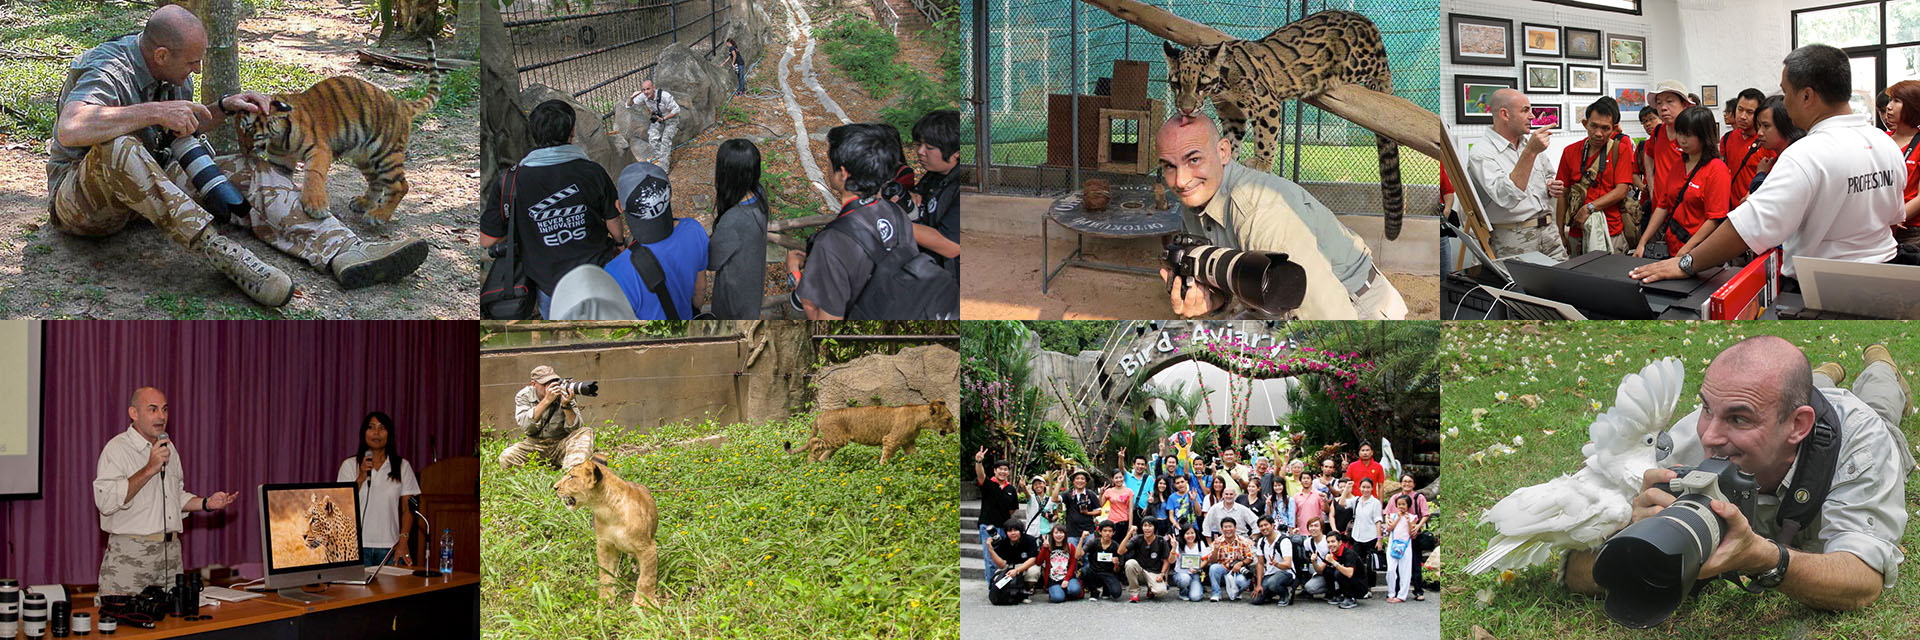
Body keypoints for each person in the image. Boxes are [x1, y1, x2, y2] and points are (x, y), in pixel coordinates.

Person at [1565, 337, 1915, 612]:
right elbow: (1574, 570)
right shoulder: (1686, 446)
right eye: (1706, 408)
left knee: (1881, 403)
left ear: (1798, 425)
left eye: (1738, 418)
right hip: (1795, 404)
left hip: (1860, 422)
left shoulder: (1863, 443)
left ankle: (1880, 364)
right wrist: (1633, 533)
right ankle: (1822, 375)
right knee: (1805, 386)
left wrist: (1764, 558)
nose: (1709, 437)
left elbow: (1863, 581)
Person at [47, 5, 301, 306]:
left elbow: (180, 127)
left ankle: (334, 248)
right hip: (84, 205)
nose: (197, 70)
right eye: (192, 62)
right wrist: (157, 112)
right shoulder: (108, 68)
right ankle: (218, 248)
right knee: (118, 146)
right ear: (162, 55)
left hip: (145, 187)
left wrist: (224, 107)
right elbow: (70, 127)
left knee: (246, 170)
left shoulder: (174, 73)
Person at [1632, 45, 1905, 285]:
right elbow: (1893, 220)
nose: (1784, 102)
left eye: (1785, 93)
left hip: (1824, 285)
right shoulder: (1885, 144)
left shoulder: (1807, 154)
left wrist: (1686, 263)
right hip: (1884, 277)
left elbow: (1747, 229)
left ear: (1807, 96)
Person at [1152, 114, 1406, 319]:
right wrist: (1212, 301)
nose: (1181, 180)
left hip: (1354, 306)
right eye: (1169, 166)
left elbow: (1325, 311)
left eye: (1194, 159)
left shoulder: (1261, 214)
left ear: (1223, 152)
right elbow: (1225, 278)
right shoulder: (1194, 199)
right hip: (1273, 302)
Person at [786, 123, 948, 320]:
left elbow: (822, 320)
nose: (827, 165)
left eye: (829, 159)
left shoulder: (832, 241)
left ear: (843, 173)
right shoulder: (896, 212)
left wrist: (794, 273)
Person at [481, 100, 623, 318]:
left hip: (548, 284)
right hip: (596, 274)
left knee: (560, 333)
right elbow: (612, 219)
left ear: (533, 134)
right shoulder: (592, 171)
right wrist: (620, 243)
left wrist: (527, 227)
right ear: (572, 132)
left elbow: (487, 240)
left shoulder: (510, 180)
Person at [91, 387, 238, 596]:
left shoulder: (169, 448)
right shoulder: (117, 449)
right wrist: (149, 469)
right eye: (153, 409)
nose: (161, 416)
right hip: (131, 556)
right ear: (134, 413)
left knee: (172, 615)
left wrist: (206, 503)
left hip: (170, 554)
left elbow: (174, 497)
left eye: (165, 409)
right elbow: (105, 502)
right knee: (123, 615)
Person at [1468, 89, 1566, 260]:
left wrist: (1551, 186)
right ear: (1505, 114)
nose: (1532, 116)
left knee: (1564, 276)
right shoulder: (1482, 153)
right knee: (1520, 279)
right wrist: (1530, 152)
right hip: (1515, 239)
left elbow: (1548, 175)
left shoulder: (1527, 144)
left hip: (1549, 233)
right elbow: (1506, 197)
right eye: (1525, 110)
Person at [603, 162, 708, 320]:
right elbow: (700, 289)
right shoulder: (694, 230)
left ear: (619, 207)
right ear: (669, 195)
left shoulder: (615, 273)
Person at [1639, 106, 1731, 261]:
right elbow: (1663, 205)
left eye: (1688, 135)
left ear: (1703, 136)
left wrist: (1685, 250)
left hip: (1699, 252)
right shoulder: (1678, 164)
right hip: (1672, 246)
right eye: (1679, 133)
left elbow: (1715, 219)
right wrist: (1643, 242)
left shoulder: (1717, 169)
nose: (1681, 140)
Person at [336, 411, 420, 567]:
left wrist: (403, 541)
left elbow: (408, 509)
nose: (376, 433)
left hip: (390, 548)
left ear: (389, 434)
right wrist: (361, 477)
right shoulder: (349, 465)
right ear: (364, 433)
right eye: (371, 427)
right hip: (357, 548)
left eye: (382, 428)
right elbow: (341, 505)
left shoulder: (402, 466)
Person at [1556, 96, 1635, 254]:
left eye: (1605, 128)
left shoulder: (1620, 150)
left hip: (1610, 231)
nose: (1598, 133)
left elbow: (1621, 190)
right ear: (1585, 124)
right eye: (1593, 126)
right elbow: (1563, 193)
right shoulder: (1570, 151)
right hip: (1576, 231)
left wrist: (1589, 208)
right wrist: (1560, 232)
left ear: (1614, 128)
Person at [707, 139, 771, 319]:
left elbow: (711, 261)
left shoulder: (733, 220)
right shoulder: (759, 195)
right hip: (753, 288)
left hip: (733, 299)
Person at [497, 365, 593, 468]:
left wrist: (566, 405)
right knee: (507, 457)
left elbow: (576, 429)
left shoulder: (564, 392)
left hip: (560, 443)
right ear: (534, 384)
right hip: (534, 445)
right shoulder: (524, 395)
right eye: (545, 384)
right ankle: (536, 470)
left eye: (553, 382)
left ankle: (573, 471)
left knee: (585, 431)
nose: (551, 386)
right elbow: (526, 426)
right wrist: (547, 400)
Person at [909, 110, 961, 277]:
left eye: (930, 147)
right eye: (919, 144)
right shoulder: (934, 174)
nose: (920, 151)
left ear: (956, 152)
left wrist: (893, 223)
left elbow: (950, 246)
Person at [972, 448, 1021, 578]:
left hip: (1004, 528)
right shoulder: (988, 484)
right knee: (990, 559)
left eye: (1005, 469)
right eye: (1000, 469)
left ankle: (1001, 584)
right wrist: (979, 462)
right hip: (988, 527)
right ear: (995, 471)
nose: (1003, 472)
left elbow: (1012, 509)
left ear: (1008, 472)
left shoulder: (1011, 489)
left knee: (1003, 558)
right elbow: (980, 475)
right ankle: (992, 586)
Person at [1723, 88, 1773, 209]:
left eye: (1750, 112)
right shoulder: (1727, 138)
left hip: (1753, 207)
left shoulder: (1767, 143)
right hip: (1729, 208)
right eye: (1740, 109)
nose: (1743, 116)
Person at [1884, 81, 1920, 248]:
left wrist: (1897, 218)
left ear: (1913, 106)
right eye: (1890, 100)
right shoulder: (1880, 139)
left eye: (1897, 101)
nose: (1889, 107)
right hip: (1880, 224)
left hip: (1910, 229)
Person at [1749, 95, 1808, 193]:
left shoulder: (1794, 163)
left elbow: (1767, 197)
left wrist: (1761, 174)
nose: (1759, 132)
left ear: (1784, 125)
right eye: (1759, 125)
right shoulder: (1779, 158)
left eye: (1766, 126)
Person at [1387, 473, 1432, 601]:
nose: (1407, 484)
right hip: (1398, 536)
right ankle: (1395, 591)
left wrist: (1418, 526)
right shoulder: (1395, 497)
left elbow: (1425, 514)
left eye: (1410, 481)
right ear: (1400, 483)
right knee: (1396, 565)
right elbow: (1388, 512)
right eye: (1404, 481)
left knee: (1415, 564)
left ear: (1414, 484)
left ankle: (1418, 591)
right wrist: (1388, 521)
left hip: (1413, 535)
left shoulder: (1419, 497)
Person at [630, 80, 682, 168]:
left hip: (671, 118)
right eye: (643, 90)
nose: (646, 92)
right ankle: (662, 159)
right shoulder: (643, 96)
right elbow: (628, 105)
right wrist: (631, 97)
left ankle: (663, 169)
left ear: (653, 88)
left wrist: (664, 118)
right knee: (652, 139)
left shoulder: (665, 96)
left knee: (665, 140)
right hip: (658, 119)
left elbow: (676, 110)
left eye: (648, 89)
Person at [1122, 518, 1173, 601]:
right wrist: (1129, 534)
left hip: (1154, 572)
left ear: (1154, 527)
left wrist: (1162, 574)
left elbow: (1166, 560)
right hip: (1140, 571)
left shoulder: (1161, 541)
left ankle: (1150, 589)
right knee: (1130, 563)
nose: (1147, 528)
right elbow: (1120, 551)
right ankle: (1134, 593)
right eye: (1145, 526)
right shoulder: (1137, 538)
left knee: (1161, 591)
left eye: (1150, 526)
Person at [1250, 515, 1296, 606]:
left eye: (1266, 525)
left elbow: (1288, 564)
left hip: (1286, 573)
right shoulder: (1261, 541)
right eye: (1261, 526)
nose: (1264, 528)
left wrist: (1276, 564)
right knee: (1256, 600)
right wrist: (1258, 585)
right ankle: (1271, 593)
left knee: (1273, 583)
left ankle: (1285, 593)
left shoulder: (1284, 541)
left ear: (1272, 525)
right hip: (1270, 574)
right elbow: (1260, 564)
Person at [989, 519, 1041, 591]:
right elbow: (1001, 565)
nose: (1013, 533)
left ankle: (1028, 588)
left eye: (1016, 530)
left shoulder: (1030, 540)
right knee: (997, 577)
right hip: (1010, 565)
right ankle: (1008, 592)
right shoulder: (1004, 542)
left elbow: (1032, 560)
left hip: (1026, 565)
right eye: (1010, 531)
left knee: (1033, 572)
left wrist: (1016, 570)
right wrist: (990, 549)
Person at [1080, 521, 1127, 600]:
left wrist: (1116, 564)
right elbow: (1078, 555)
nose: (1107, 533)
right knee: (1084, 570)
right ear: (1100, 532)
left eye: (1110, 531)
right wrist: (1082, 539)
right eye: (1105, 531)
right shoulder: (1093, 542)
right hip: (1094, 572)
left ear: (1113, 533)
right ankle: (1094, 591)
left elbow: (1117, 570)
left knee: (1116, 593)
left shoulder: (1116, 546)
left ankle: (1106, 589)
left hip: (1109, 573)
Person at [1036, 526, 1083, 603]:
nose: (1059, 535)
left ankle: (1066, 591)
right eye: (1056, 533)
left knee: (1074, 590)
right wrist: (1044, 548)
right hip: (1053, 579)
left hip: (1068, 577)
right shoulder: (1047, 547)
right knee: (1057, 598)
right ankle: (1060, 592)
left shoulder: (1070, 546)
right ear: (1052, 534)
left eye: (1061, 533)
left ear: (1065, 534)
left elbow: (1073, 565)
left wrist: (1066, 579)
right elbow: (1038, 562)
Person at [1383, 494, 1415, 603]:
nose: (1401, 506)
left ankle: (1402, 595)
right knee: (1391, 570)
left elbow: (1411, 533)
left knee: (1405, 571)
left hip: (1406, 546)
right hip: (1393, 545)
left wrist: (1408, 522)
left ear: (1408, 505)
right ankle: (1391, 593)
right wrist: (1398, 518)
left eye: (1403, 504)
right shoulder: (1392, 516)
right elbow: (1389, 528)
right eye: (1399, 504)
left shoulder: (1412, 517)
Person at [1171, 525, 1211, 601]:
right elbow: (1171, 561)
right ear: (1183, 535)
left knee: (1195, 597)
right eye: (1187, 533)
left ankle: (1195, 587)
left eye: (1192, 533)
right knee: (1185, 579)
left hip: (1195, 574)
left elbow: (1205, 560)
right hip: (1181, 573)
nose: (1190, 536)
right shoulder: (1178, 544)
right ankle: (1183, 592)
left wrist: (1198, 567)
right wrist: (1173, 548)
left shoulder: (1200, 544)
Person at [1060, 470, 1099, 541]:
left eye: (1082, 479)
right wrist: (1059, 483)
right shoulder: (1068, 494)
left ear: (1086, 481)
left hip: (1088, 532)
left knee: (1089, 548)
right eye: (1077, 478)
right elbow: (1054, 499)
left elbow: (1099, 511)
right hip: (1072, 533)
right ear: (1073, 481)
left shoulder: (1091, 494)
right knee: (1072, 548)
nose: (1080, 481)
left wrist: (1087, 513)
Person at [1100, 470, 1135, 542]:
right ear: (1112, 479)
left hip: (1124, 522)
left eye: (1120, 477)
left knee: (1124, 545)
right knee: (1113, 544)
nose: (1119, 480)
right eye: (1116, 478)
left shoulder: (1129, 491)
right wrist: (1101, 493)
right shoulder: (1109, 491)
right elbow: (1101, 504)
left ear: (1123, 478)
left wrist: (1130, 526)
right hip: (1112, 523)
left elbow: (1131, 510)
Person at [1292, 471, 1326, 535]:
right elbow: (1294, 514)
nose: (1306, 480)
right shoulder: (1296, 496)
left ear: (1312, 481)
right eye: (1304, 478)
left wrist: (1325, 501)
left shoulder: (1319, 494)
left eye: (1308, 478)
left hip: (1316, 530)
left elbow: (1326, 510)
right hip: (1302, 530)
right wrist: (1294, 528)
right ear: (1300, 481)